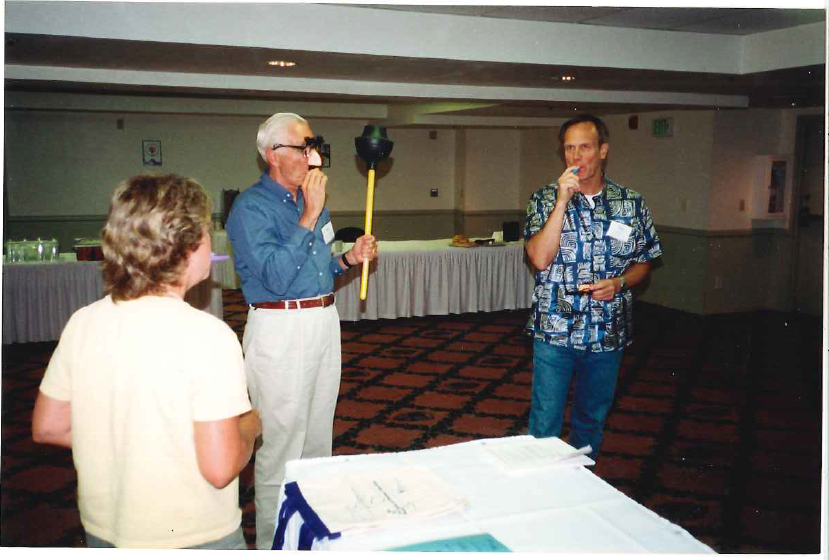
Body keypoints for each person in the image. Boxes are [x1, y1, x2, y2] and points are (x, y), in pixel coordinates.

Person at [32, 174, 262, 548]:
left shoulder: (84, 322)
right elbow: (220, 469)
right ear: (187, 245)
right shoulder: (208, 335)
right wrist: (251, 427)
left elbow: (49, 427)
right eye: (206, 231)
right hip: (194, 537)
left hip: (103, 532)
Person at [226, 112, 377, 549]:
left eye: (314, 147)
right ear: (274, 155)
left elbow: (318, 270)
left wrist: (348, 259)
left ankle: (310, 539)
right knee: (280, 446)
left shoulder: (311, 205)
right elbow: (274, 276)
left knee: (316, 437)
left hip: (322, 322)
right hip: (279, 327)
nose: (314, 157)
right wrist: (308, 216)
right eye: (305, 147)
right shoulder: (251, 208)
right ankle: (276, 546)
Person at [524, 114, 662, 461]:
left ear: (602, 151)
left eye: (584, 147)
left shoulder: (630, 203)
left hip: (607, 332)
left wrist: (618, 283)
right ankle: (539, 497)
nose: (575, 157)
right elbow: (540, 259)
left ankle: (582, 487)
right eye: (569, 149)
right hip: (555, 330)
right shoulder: (542, 200)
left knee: (591, 420)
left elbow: (644, 262)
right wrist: (560, 203)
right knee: (545, 423)